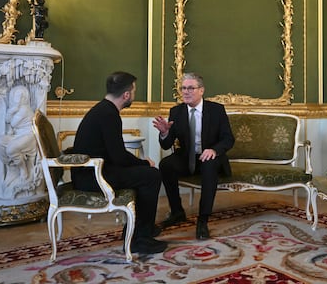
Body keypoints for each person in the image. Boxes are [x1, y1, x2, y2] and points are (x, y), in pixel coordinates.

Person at [71, 71, 166, 254]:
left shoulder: (103, 109)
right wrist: (144, 163)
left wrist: (140, 163)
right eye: (134, 91)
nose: (134, 95)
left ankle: (137, 229)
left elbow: (115, 155)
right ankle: (140, 239)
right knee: (151, 176)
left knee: (144, 175)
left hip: (90, 173)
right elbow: (119, 156)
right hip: (94, 177)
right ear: (126, 95)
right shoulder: (109, 114)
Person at [153, 72, 235, 240]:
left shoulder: (216, 110)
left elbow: (228, 139)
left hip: (210, 156)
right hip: (187, 157)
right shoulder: (176, 111)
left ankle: (203, 220)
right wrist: (164, 133)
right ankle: (177, 212)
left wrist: (214, 150)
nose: (186, 92)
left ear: (201, 90)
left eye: (191, 88)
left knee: (209, 164)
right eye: (183, 88)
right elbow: (167, 144)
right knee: (165, 165)